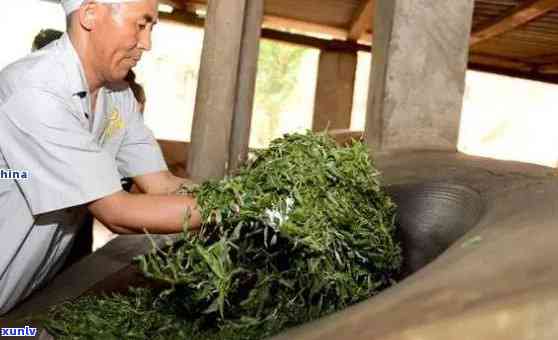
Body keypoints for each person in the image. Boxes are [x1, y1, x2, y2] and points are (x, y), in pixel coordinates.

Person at [0, 0, 201, 315]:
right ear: (90, 14)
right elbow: (117, 211)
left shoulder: (117, 96)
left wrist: (245, 194)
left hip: (20, 292)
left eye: (151, 28)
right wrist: (235, 208)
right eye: (141, 24)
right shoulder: (36, 91)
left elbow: (161, 184)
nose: (147, 44)